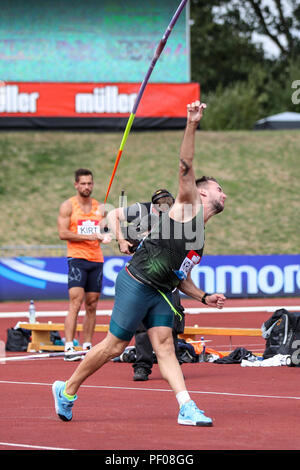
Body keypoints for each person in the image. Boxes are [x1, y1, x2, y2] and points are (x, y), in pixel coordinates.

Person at [52, 101, 227, 427]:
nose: (224, 194)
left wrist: (203, 297)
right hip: (137, 282)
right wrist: (192, 124)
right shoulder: (187, 205)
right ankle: (67, 389)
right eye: (219, 189)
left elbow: (180, 278)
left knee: (165, 346)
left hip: (160, 291)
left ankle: (186, 406)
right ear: (202, 194)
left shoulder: (200, 237)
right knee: (115, 345)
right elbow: (186, 165)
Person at [107, 188, 185, 381]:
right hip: (143, 276)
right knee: (142, 324)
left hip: (167, 277)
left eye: (169, 202)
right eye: (161, 203)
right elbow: (111, 214)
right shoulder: (141, 210)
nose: (165, 207)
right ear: (154, 205)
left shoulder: (178, 218)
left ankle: (173, 365)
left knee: (172, 322)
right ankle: (142, 366)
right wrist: (122, 240)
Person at [57, 168, 110, 360]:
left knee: (92, 304)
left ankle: (87, 345)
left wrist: (106, 234)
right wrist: (91, 235)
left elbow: (104, 230)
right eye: (83, 183)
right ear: (76, 185)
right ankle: (69, 346)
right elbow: (63, 233)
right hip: (77, 258)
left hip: (96, 259)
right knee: (75, 302)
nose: (87, 187)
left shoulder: (100, 207)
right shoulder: (68, 206)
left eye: (90, 183)